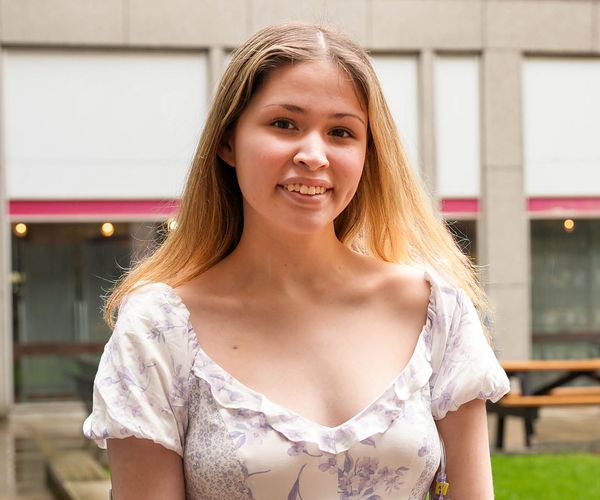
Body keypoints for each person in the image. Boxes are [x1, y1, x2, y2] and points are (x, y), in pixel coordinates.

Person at [83, 22, 510, 499]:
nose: (313, 155)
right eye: (284, 123)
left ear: (368, 154)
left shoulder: (436, 311)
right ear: (227, 141)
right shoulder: (158, 329)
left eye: (341, 132)